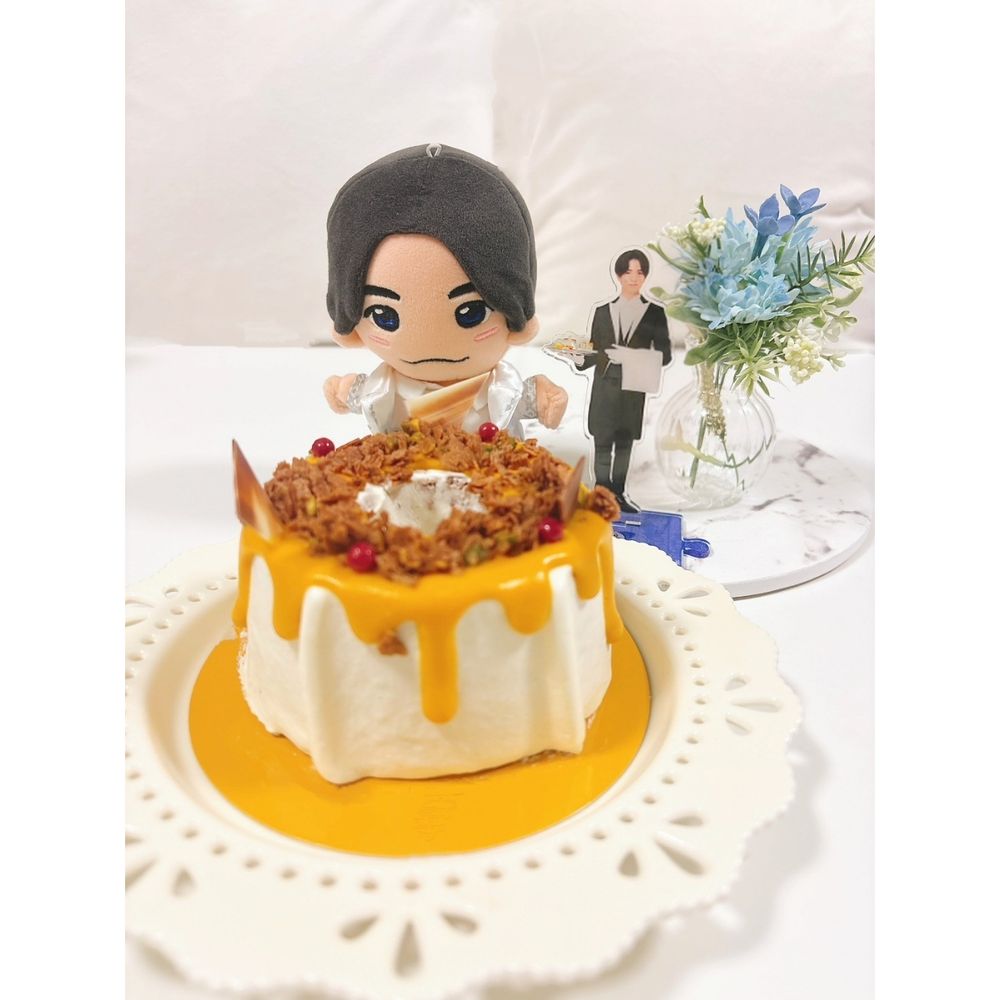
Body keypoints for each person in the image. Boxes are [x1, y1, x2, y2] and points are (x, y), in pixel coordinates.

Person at [322, 144, 567, 435]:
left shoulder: (499, 389)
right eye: (383, 315)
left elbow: (519, 399)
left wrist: (541, 398)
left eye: (471, 312)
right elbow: (363, 395)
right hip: (403, 463)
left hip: (493, 464)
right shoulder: (384, 389)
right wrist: (347, 390)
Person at [576, 249, 671, 511]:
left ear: (646, 276)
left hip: (633, 390)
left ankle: (618, 494)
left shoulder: (654, 313)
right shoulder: (602, 311)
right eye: (628, 271)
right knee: (602, 443)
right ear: (618, 275)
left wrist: (628, 357)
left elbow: (664, 356)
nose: (634, 277)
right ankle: (600, 493)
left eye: (640, 272)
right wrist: (578, 356)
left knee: (624, 445)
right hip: (604, 389)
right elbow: (594, 352)